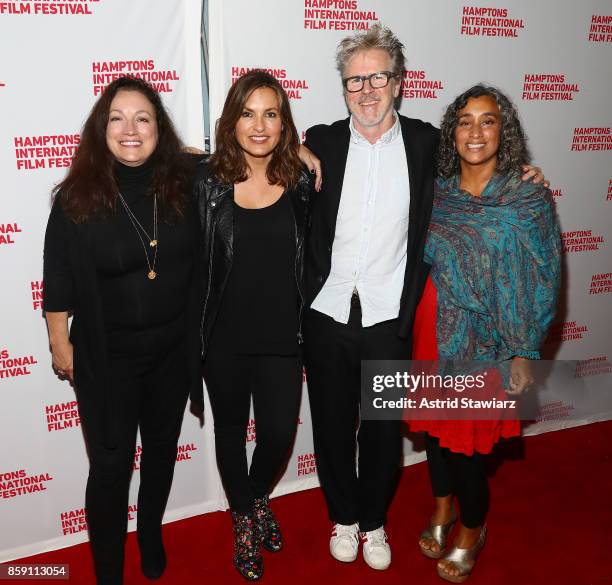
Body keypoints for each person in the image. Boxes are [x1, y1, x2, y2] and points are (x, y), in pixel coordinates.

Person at [301, 24, 546, 571]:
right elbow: (248, 159)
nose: (366, 90)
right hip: (326, 312)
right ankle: (341, 516)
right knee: (332, 427)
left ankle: (373, 521)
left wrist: (522, 176)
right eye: (353, 81)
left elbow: (481, 166)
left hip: (392, 319)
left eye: (377, 77)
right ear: (342, 89)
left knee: (384, 439)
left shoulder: (425, 144)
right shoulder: (319, 142)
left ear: (399, 82)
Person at [43, 76, 202, 585]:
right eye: (117, 118)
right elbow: (59, 277)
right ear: (101, 127)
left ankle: (151, 532)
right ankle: (108, 571)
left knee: (159, 454)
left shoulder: (188, 182)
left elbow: (255, 156)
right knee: (110, 469)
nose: (130, 129)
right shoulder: (77, 197)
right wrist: (58, 339)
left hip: (173, 356)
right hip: (107, 362)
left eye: (143, 118)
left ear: (160, 129)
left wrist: (309, 156)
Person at [410, 85, 561, 583]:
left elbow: (542, 276)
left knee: (469, 446)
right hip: (430, 332)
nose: (476, 131)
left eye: (488, 120)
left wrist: (523, 350)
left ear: (505, 130)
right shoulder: (437, 189)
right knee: (435, 433)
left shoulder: (528, 196)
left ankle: (473, 528)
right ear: (451, 132)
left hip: (487, 343)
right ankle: (442, 508)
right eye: (465, 121)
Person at [194, 70, 312, 581]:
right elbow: (146, 155)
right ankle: (244, 517)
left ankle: (257, 494)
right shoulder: (206, 182)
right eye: (248, 113)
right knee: (228, 432)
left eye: (271, 113)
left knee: (280, 431)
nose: (259, 125)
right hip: (223, 337)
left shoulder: (303, 180)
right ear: (231, 121)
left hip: (284, 335)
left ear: (285, 124)